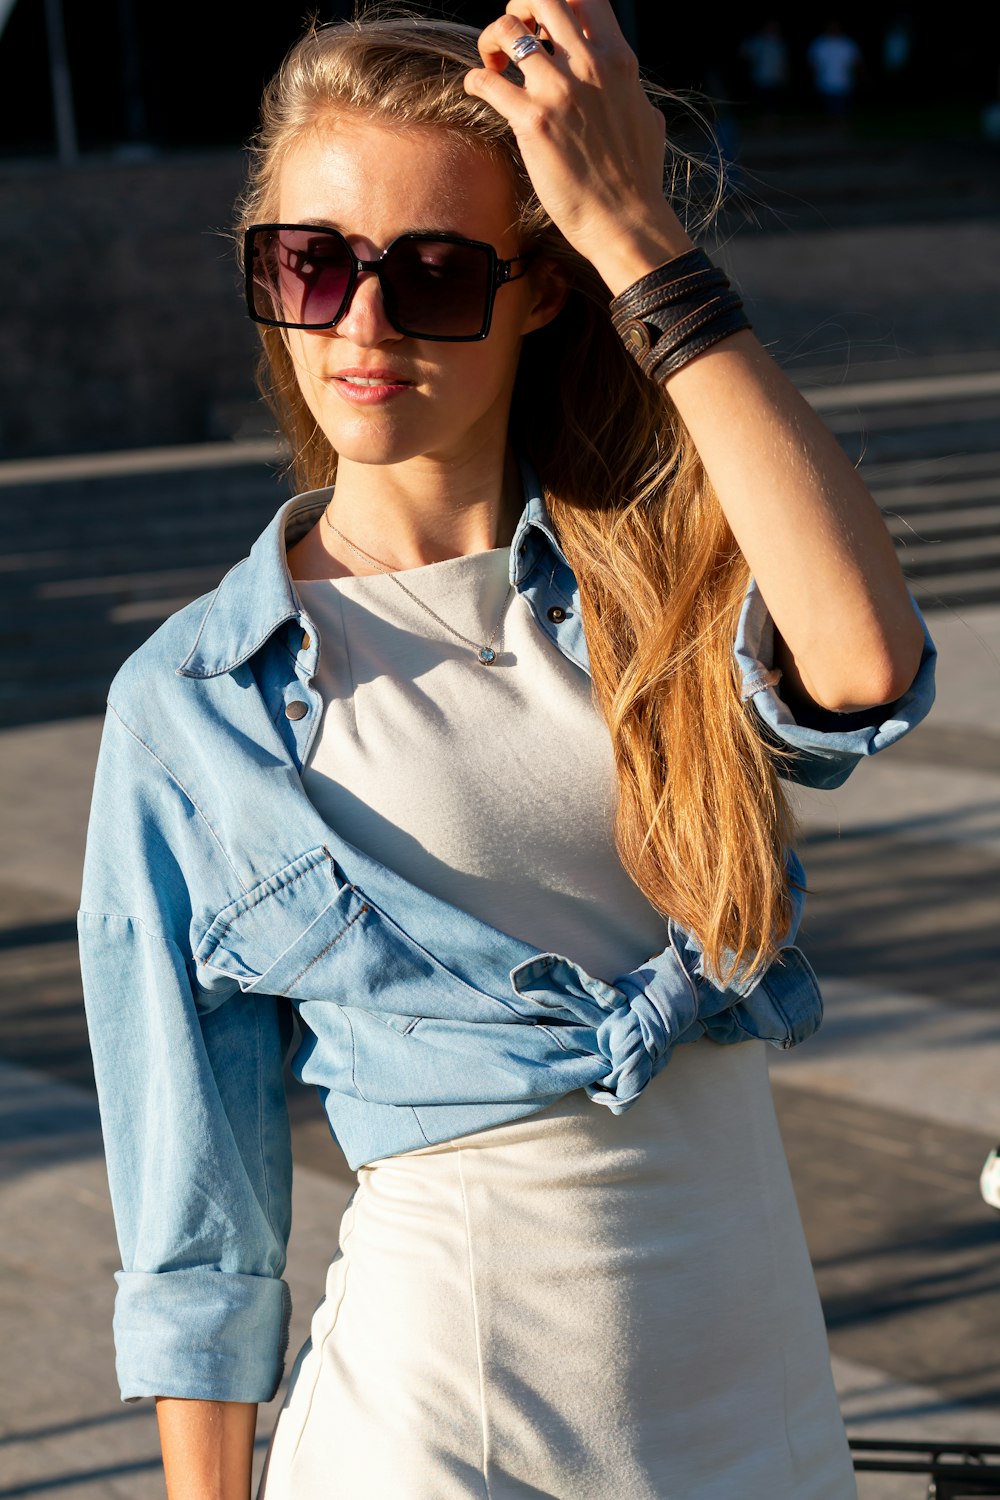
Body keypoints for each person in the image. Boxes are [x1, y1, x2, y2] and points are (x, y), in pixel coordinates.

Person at [78, 5, 936, 1498]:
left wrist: (640, 235)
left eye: (434, 272)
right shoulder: (197, 702)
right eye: (314, 264)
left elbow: (864, 666)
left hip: (765, 1424)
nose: (364, 322)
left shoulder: (664, 590)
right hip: (434, 1438)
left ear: (539, 290)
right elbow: (197, 1230)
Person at [807, 21, 864, 119]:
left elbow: (856, 62)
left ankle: (842, 130)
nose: (833, 30)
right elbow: (813, 63)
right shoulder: (820, 43)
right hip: (825, 82)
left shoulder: (847, 43)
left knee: (843, 110)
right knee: (829, 110)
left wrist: (858, 77)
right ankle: (831, 130)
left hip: (845, 83)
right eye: (831, 27)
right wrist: (814, 78)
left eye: (836, 27)